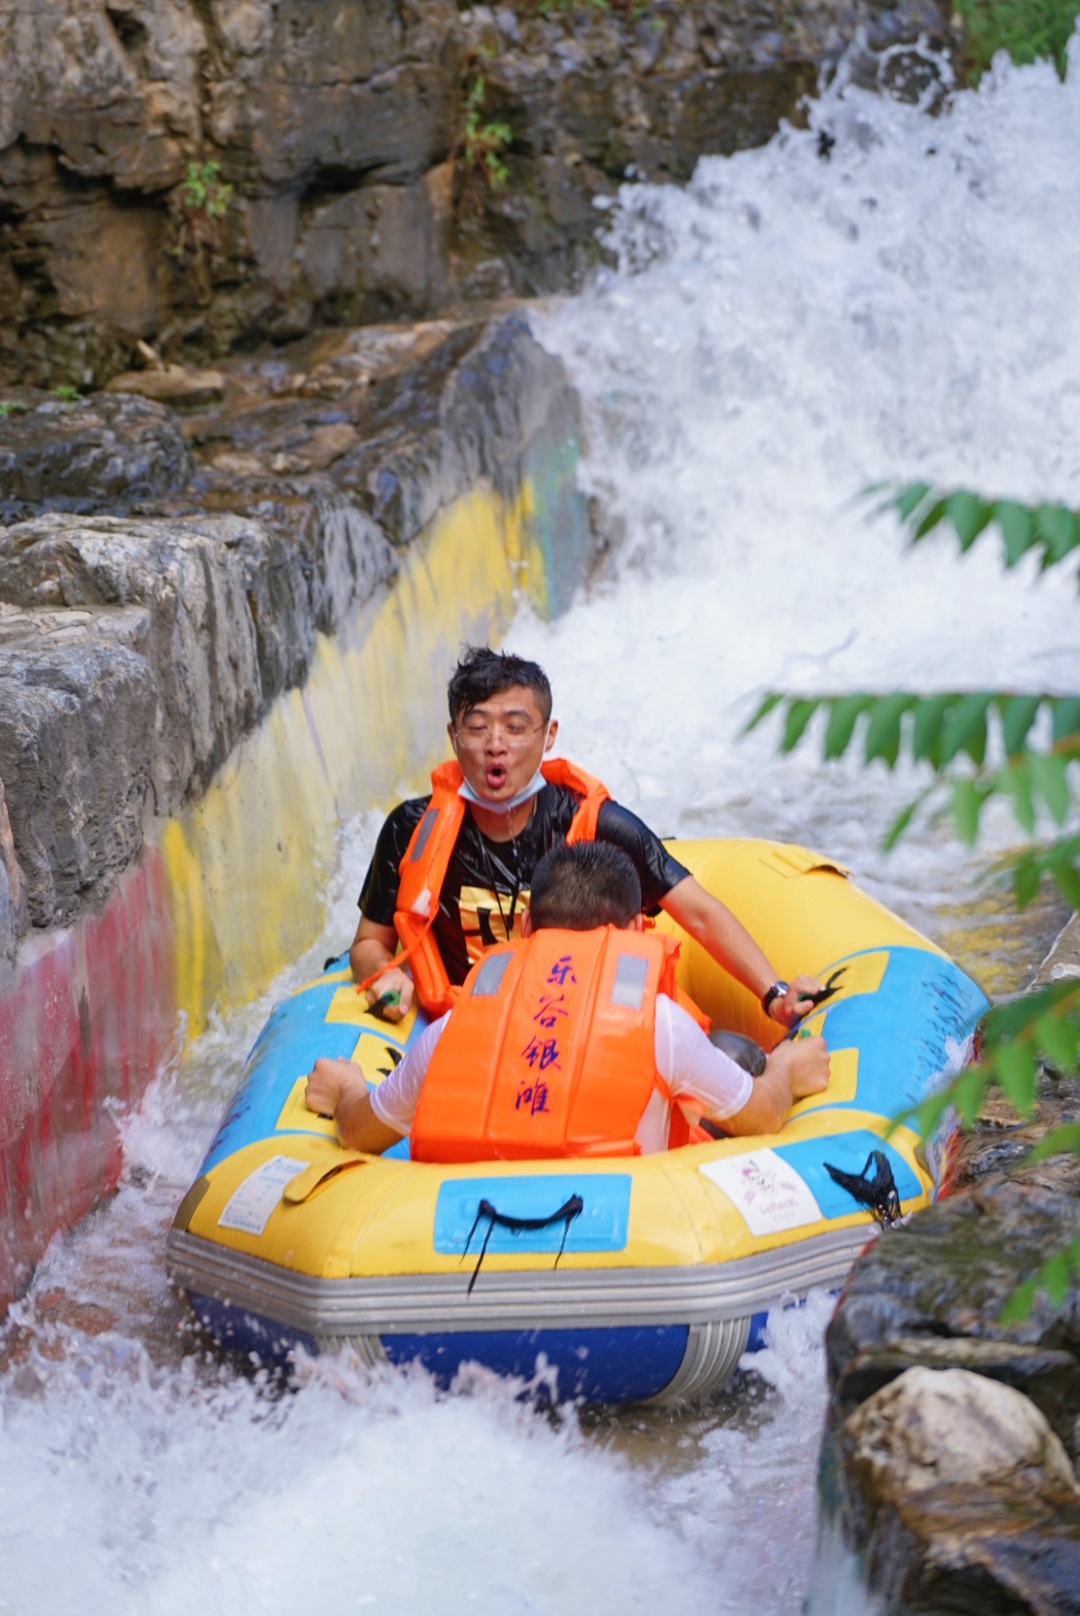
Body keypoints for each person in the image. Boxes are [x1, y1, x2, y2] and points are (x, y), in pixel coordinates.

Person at [350, 645, 824, 1026]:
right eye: (478, 728)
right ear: (454, 737)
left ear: (548, 734)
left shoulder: (597, 826)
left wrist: (775, 994)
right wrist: (382, 977)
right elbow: (370, 940)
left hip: (587, 1024)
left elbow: (698, 913)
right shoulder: (411, 829)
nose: (496, 744)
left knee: (733, 1055)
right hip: (466, 1025)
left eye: (516, 728)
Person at [307, 842, 831, 1158]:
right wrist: (785, 1067)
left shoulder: (450, 1033)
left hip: (463, 1263)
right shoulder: (659, 1026)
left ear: (528, 925)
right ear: (633, 930)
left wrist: (346, 1089)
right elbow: (761, 1116)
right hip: (624, 1252)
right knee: (735, 1056)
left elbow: (359, 1132)